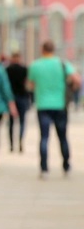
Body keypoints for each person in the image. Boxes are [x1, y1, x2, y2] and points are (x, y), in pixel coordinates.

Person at [28, 40, 81, 180]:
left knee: (44, 137)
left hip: (43, 105)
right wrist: (72, 89)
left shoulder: (35, 65)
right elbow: (77, 80)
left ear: (42, 50)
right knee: (62, 137)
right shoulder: (62, 64)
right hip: (60, 105)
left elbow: (29, 85)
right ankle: (66, 165)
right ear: (53, 50)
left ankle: (44, 168)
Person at [6, 52, 31, 153]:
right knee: (22, 121)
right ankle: (20, 139)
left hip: (11, 97)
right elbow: (28, 83)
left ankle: (12, 144)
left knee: (11, 122)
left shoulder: (7, 70)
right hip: (22, 96)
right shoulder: (24, 69)